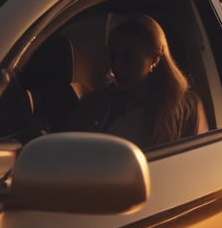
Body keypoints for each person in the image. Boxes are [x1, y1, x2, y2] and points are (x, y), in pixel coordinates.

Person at [70, 14, 208, 150]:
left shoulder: (184, 108)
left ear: (155, 59)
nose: (117, 66)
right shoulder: (99, 104)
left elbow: (199, 157)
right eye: (113, 57)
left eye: (128, 59)